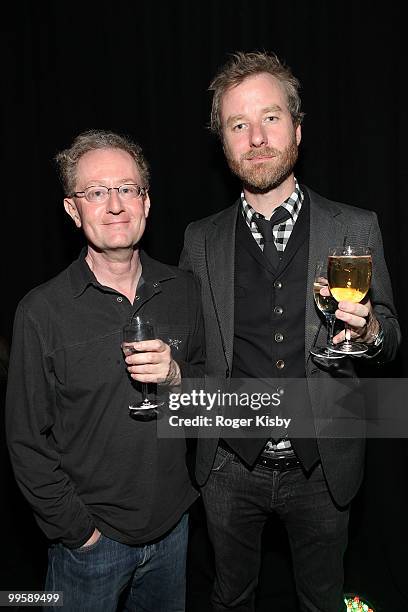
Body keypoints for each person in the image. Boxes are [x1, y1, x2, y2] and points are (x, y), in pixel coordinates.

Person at [180, 51, 400, 611]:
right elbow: (194, 350)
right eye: (238, 125)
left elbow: (390, 335)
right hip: (228, 464)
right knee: (230, 597)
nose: (256, 137)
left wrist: (371, 327)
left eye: (270, 117)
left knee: (323, 600)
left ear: (297, 130)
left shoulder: (355, 225)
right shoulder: (198, 240)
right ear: (225, 145)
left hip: (324, 463)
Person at [6, 129, 204, 612]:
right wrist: (79, 534)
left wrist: (177, 376)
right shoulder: (41, 311)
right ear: (73, 211)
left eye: (127, 188)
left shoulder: (185, 289)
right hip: (91, 547)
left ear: (147, 202)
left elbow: (212, 398)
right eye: (96, 192)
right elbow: (27, 441)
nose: (115, 205)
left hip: (174, 531)